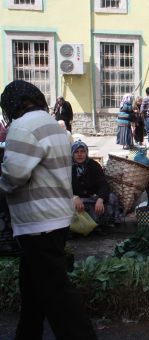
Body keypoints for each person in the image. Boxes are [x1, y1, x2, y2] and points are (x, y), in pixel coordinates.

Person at [0, 80, 97, 339]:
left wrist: (2, 181)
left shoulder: (22, 126)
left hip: (37, 222)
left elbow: (14, 174)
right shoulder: (51, 125)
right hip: (55, 218)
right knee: (32, 289)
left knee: (58, 297)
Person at [72, 140, 122, 227]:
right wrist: (74, 197)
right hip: (76, 201)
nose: (79, 154)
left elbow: (103, 184)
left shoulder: (93, 165)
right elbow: (63, 187)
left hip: (92, 199)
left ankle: (103, 223)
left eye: (82, 151)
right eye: (76, 152)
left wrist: (100, 199)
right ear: (72, 154)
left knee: (111, 197)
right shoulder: (68, 167)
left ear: (86, 152)